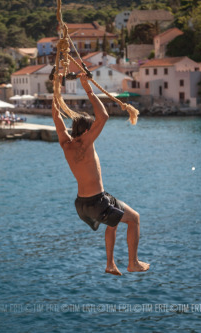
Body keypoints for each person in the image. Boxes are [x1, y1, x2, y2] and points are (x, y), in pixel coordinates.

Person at [51, 74, 150, 276]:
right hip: (97, 202)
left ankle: (110, 264)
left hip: (82, 204)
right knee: (135, 219)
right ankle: (133, 263)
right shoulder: (86, 144)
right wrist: (87, 88)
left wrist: (56, 87)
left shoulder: (65, 144)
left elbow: (56, 117)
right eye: (91, 130)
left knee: (113, 223)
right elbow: (103, 116)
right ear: (87, 131)